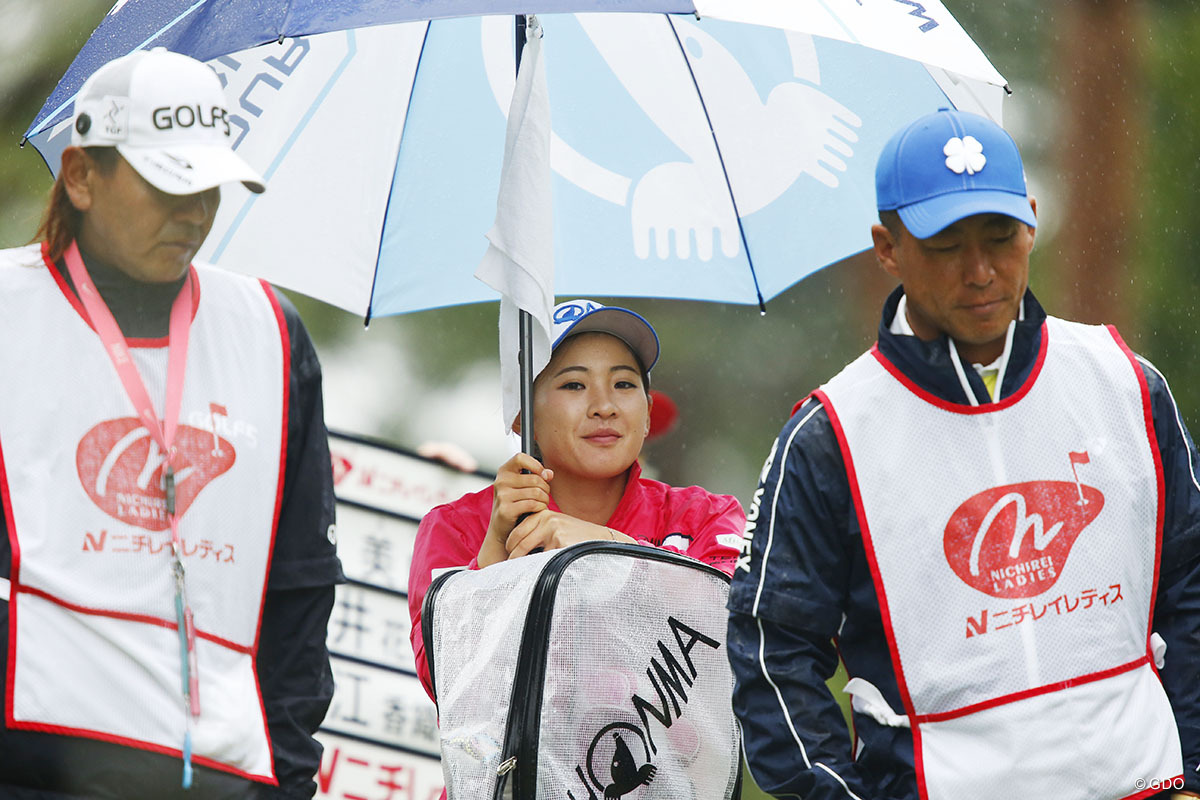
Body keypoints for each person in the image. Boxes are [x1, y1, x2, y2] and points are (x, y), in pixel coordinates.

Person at [727, 108, 1200, 800]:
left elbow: (1189, 589)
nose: (980, 270)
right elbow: (773, 652)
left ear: (1032, 222)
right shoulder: (829, 435)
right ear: (886, 246)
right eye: (946, 244)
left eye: (1000, 236)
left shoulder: (1126, 380)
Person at [0, 49, 342, 798]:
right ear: (83, 175)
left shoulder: (272, 332)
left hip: (221, 775)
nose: (193, 213)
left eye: (210, 186)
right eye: (166, 184)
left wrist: (284, 781)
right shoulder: (6, 310)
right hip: (36, 767)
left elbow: (300, 584)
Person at [408, 299, 745, 700]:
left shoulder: (707, 516)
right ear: (521, 416)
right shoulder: (456, 527)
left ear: (649, 411)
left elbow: (742, 630)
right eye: (573, 385)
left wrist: (602, 550)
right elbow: (446, 682)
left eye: (623, 384)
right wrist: (495, 553)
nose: (604, 407)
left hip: (678, 764)